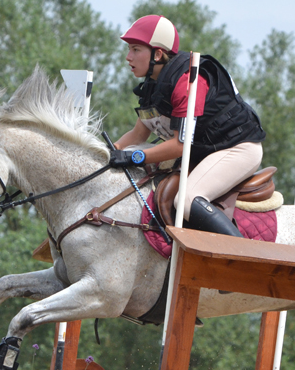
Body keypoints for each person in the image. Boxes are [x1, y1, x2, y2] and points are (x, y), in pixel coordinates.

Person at [111, 15, 266, 237]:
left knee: (187, 199)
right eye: (129, 49)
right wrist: (107, 152)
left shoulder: (187, 81)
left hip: (237, 149)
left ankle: (241, 257)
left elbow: (179, 146)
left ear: (158, 53)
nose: (128, 57)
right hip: (205, 152)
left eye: (136, 49)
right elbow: (138, 134)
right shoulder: (153, 86)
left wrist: (133, 157)